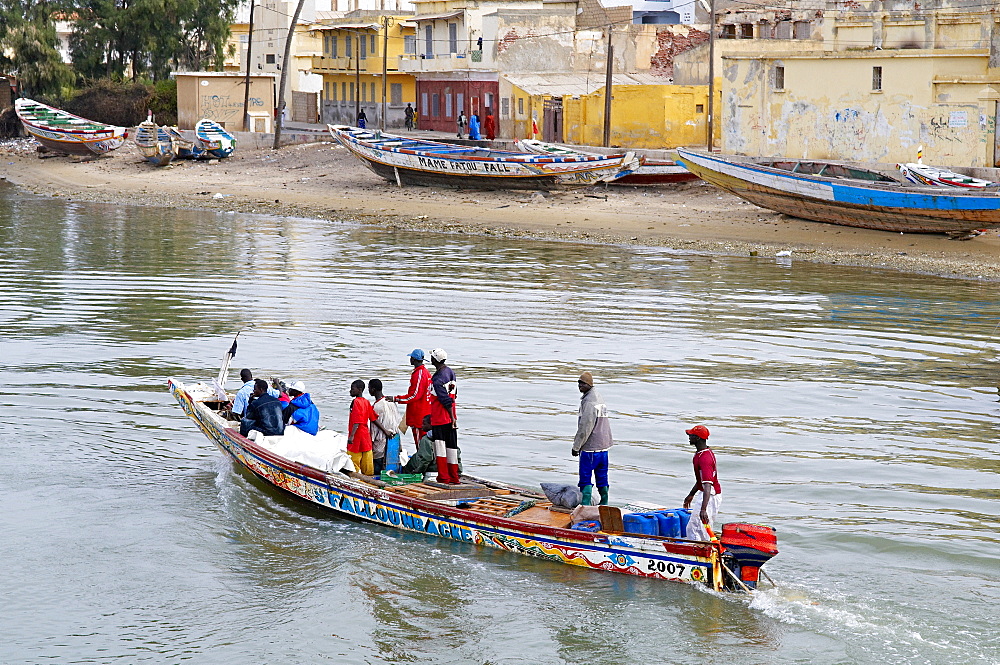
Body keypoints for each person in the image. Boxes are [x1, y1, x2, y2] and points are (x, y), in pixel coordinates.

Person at [572, 371, 613, 506]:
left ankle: (585, 506)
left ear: (589, 385)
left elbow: (585, 427)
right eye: (578, 383)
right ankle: (604, 504)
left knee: (585, 477)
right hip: (604, 447)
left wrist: (576, 446)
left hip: (591, 449)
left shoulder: (589, 402)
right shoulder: (599, 398)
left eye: (582, 383)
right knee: (602, 476)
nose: (579, 386)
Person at [682, 425, 722, 541]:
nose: (689, 437)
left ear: (698, 438)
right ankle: (704, 547)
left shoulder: (705, 458)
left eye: (691, 435)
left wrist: (703, 509)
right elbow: (701, 480)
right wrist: (691, 494)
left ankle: (698, 552)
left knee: (694, 527)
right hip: (706, 493)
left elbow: (708, 485)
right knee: (702, 527)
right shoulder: (700, 454)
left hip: (710, 495)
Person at [389, 349, 432, 447]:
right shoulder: (425, 372)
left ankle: (421, 461)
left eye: (411, 358)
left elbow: (414, 396)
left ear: (414, 359)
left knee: (420, 446)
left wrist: (396, 399)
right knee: (425, 445)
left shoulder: (419, 374)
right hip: (424, 414)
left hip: (419, 416)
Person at [428, 348, 460, 484]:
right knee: (452, 447)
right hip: (451, 415)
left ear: (435, 360)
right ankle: (454, 477)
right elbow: (454, 395)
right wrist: (453, 417)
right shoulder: (451, 373)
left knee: (440, 448)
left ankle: (443, 477)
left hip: (441, 418)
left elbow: (444, 400)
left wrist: (451, 417)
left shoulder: (437, 379)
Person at [369, 379, 401, 476]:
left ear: (373, 390)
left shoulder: (376, 406)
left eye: (369, 388)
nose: (369, 390)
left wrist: (370, 443)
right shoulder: (391, 401)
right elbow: (398, 421)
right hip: (394, 441)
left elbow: (373, 429)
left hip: (380, 443)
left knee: (378, 470)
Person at [347, 379, 378, 475]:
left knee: (353, 462)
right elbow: (373, 418)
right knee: (367, 462)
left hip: (356, 436)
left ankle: (354, 479)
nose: (350, 391)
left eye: (352, 389)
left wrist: (351, 436)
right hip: (365, 436)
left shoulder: (356, 402)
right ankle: (369, 479)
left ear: (360, 390)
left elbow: (357, 421)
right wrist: (385, 431)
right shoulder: (366, 402)